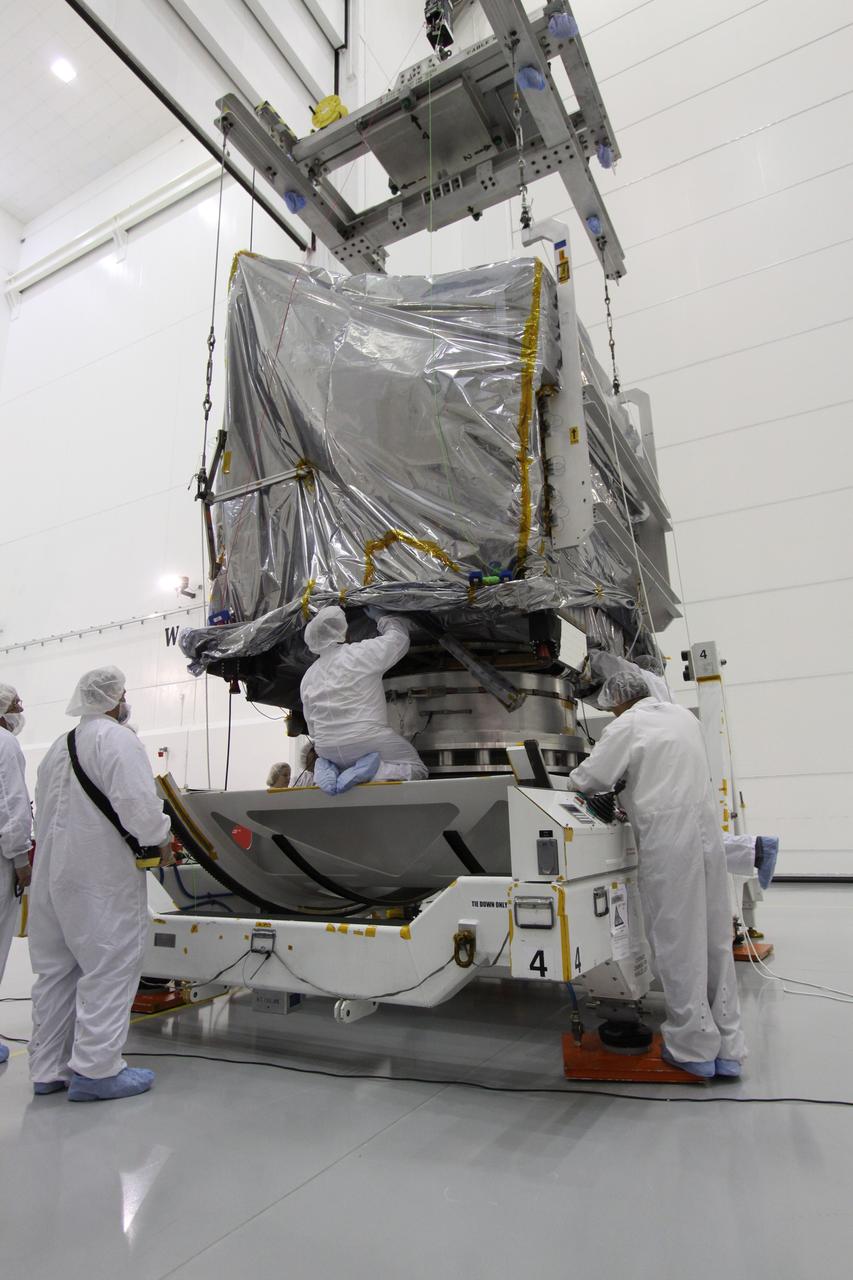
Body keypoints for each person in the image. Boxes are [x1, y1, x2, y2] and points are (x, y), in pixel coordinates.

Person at [568, 669, 746, 1080]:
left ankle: (692, 1048)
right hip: (707, 839)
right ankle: (729, 1048)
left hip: (670, 844)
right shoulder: (684, 717)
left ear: (616, 700)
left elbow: (587, 778)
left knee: (677, 944)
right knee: (714, 941)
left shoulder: (627, 725)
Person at [28, 666, 173, 1101]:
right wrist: (161, 838)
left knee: (56, 972)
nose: (126, 700)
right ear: (113, 700)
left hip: (53, 878)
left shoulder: (57, 747)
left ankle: (48, 1068)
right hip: (100, 878)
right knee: (111, 964)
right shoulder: (117, 739)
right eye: (124, 693)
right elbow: (137, 807)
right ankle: (97, 1070)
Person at [300, 606, 427, 795]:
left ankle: (328, 770)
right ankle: (375, 772)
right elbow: (399, 639)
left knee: (343, 761)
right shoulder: (359, 654)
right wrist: (382, 618)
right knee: (417, 769)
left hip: (326, 748)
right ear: (344, 632)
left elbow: (311, 724)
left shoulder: (308, 677)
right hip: (368, 740)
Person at [0, 684, 33, 1066]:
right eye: (14, 703)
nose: (20, 708)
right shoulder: (5, 744)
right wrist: (21, 859)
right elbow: (11, 805)